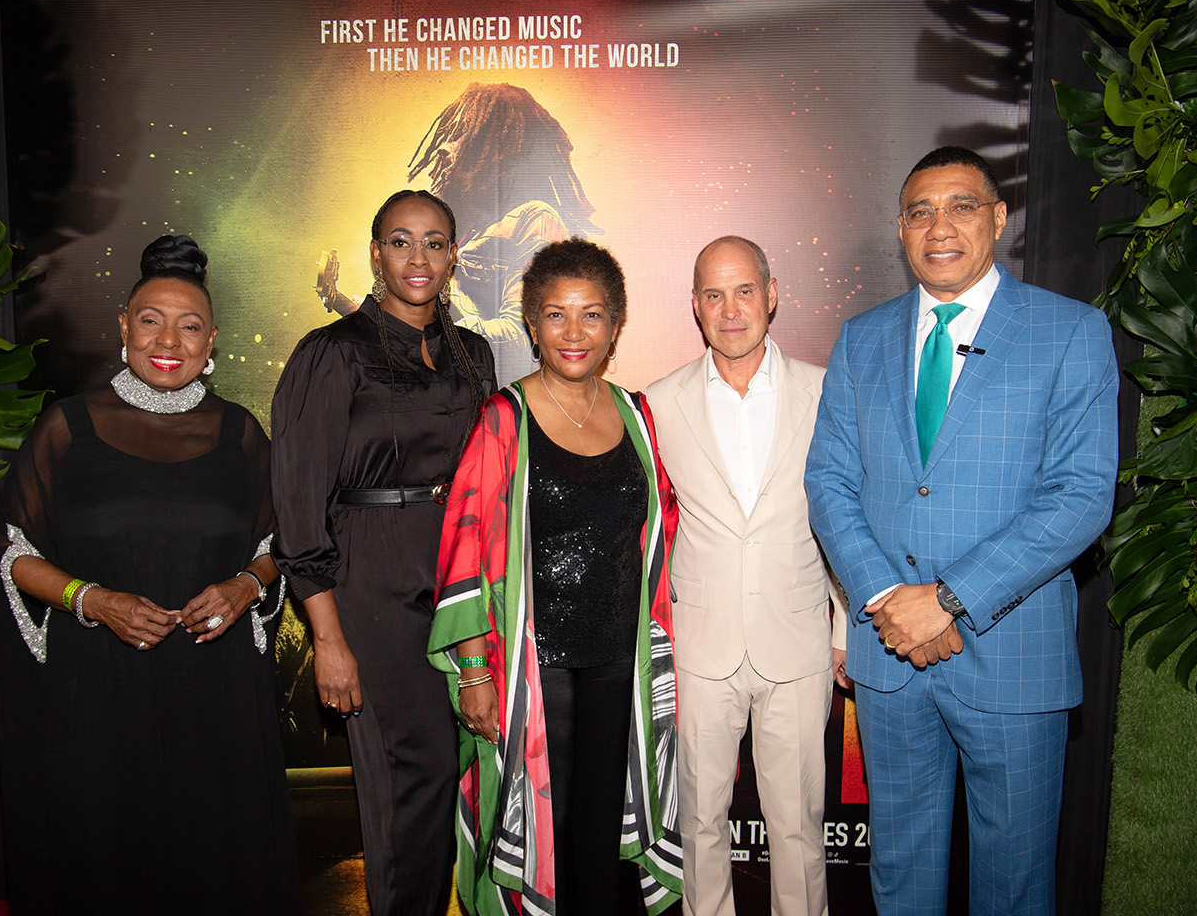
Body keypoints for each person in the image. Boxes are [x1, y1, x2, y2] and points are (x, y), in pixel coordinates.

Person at [805, 146, 1119, 915]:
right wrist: (886, 597)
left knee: (1014, 885)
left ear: (999, 219)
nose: (938, 227)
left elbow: (1080, 497)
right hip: (891, 661)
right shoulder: (861, 337)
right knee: (901, 876)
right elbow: (829, 482)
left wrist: (946, 599)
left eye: (961, 206)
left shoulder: (1070, 332)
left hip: (1013, 658)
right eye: (920, 211)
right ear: (900, 229)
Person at [0, 235, 300, 915]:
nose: (170, 338)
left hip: (214, 693)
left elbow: (281, 543)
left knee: (216, 859)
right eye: (151, 320)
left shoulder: (239, 432)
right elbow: (15, 553)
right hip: (95, 695)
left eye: (190, 325)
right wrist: (92, 599)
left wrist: (244, 586)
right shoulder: (66, 427)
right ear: (124, 329)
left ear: (212, 338)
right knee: (103, 856)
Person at [429, 238, 682, 916]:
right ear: (531, 323)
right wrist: (477, 672)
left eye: (592, 315)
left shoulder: (636, 414)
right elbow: (462, 550)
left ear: (615, 325)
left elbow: (662, 531)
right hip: (532, 669)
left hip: (618, 658)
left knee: (605, 826)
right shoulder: (502, 420)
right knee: (550, 828)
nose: (574, 332)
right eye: (556, 314)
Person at [271, 190, 496, 916]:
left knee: (454, 776)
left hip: (458, 582)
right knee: (411, 776)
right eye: (400, 241)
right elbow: (299, 505)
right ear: (375, 254)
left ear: (454, 256)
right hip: (371, 588)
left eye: (434, 242)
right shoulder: (332, 353)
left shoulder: (472, 352)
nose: (418, 258)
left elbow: (490, 478)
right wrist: (328, 641)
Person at [646, 235, 848, 916]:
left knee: (798, 826)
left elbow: (848, 520)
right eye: (713, 294)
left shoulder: (827, 393)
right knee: (700, 822)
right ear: (695, 307)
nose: (730, 310)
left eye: (744, 290)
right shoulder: (659, 403)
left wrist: (846, 625)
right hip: (701, 648)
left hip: (798, 643)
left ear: (773, 294)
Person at [407, 82, 600, 382]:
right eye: (449, 134)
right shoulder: (458, 232)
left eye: (463, 137)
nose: (445, 148)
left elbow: (520, 341)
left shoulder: (533, 219)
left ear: (499, 150)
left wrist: (425, 322)